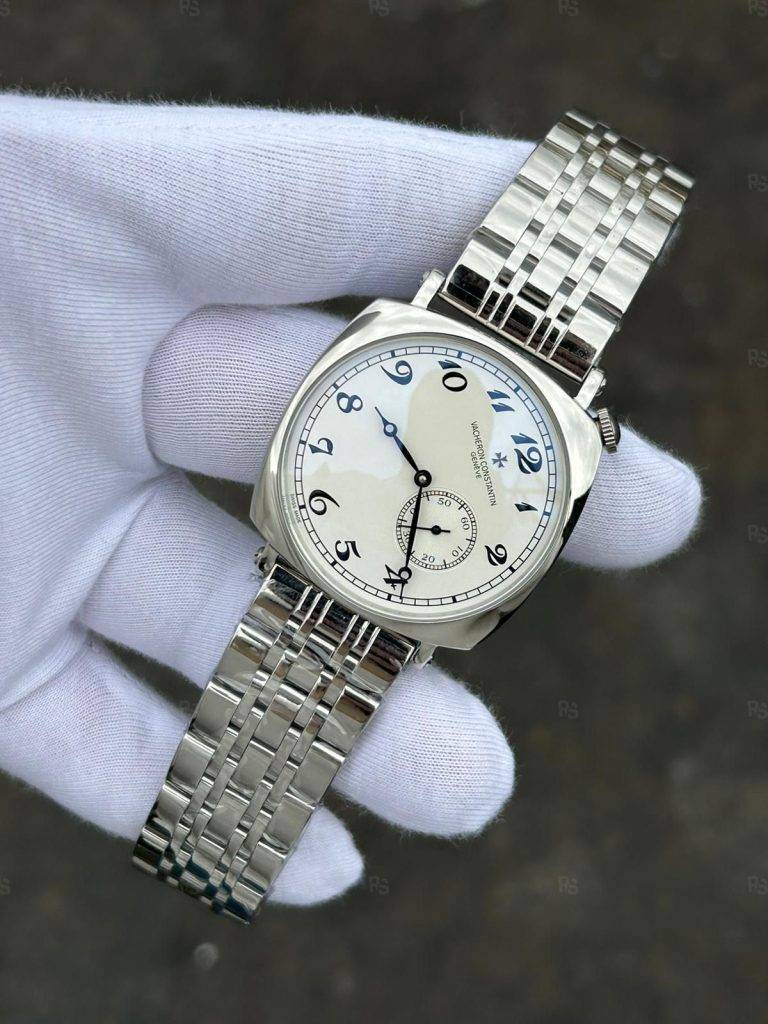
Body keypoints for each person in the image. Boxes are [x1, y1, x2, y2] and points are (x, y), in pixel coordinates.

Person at [0, 94, 702, 906]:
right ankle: (214, 843)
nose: (428, 488)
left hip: (381, 585)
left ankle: (215, 842)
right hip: (347, 557)